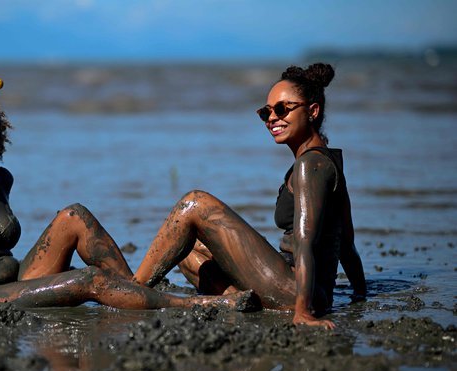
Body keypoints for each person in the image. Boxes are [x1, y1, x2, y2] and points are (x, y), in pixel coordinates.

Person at [0, 101, 249, 310]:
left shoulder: (0, 180)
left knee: (74, 214)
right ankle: (197, 307)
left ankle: (133, 291)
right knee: (88, 279)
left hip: (19, 279)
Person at [132, 63, 367, 329]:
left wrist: (304, 312)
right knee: (187, 249)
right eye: (266, 112)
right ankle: (237, 300)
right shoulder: (327, 162)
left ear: (312, 111)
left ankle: (132, 289)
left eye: (282, 109)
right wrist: (360, 293)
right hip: (305, 291)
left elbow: (305, 242)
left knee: (195, 203)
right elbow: (347, 242)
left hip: (296, 291)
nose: (272, 118)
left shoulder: (309, 165)